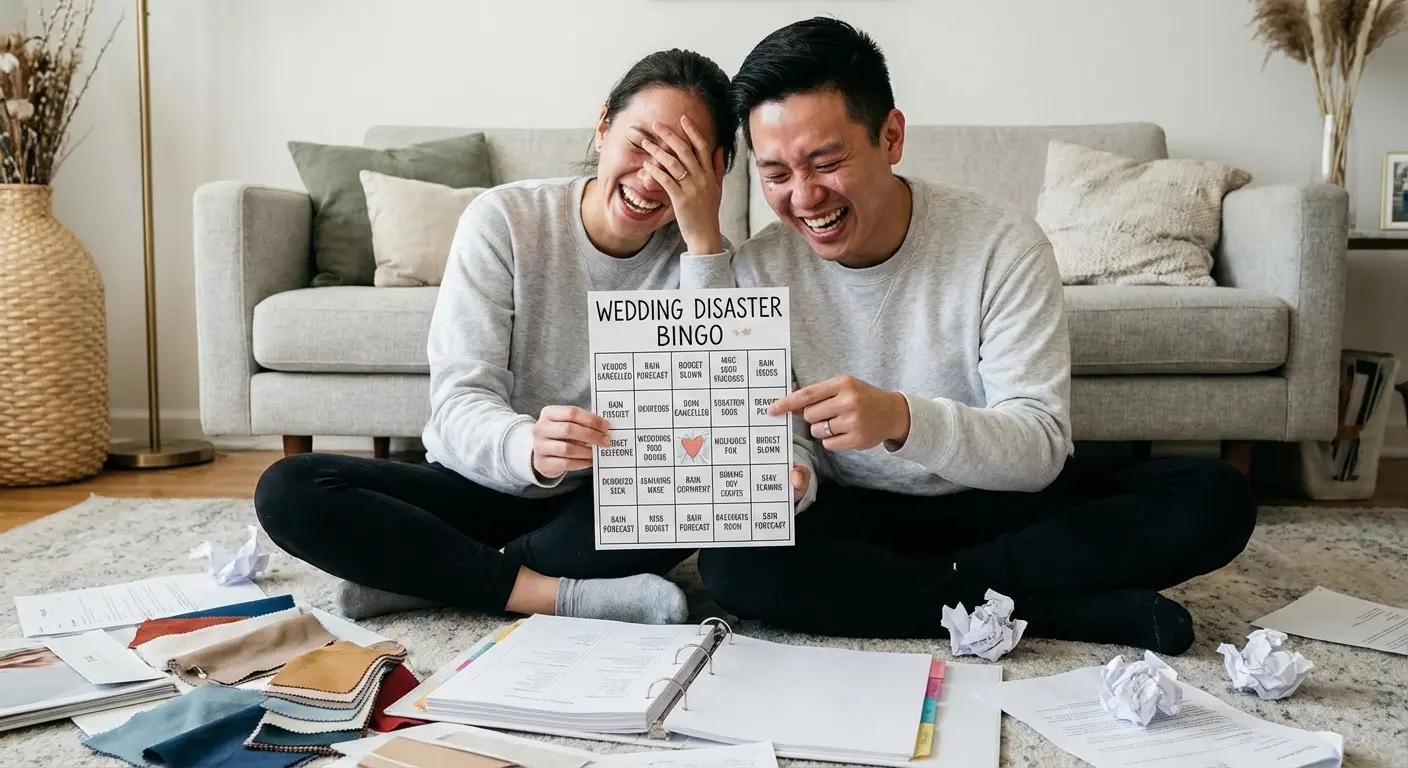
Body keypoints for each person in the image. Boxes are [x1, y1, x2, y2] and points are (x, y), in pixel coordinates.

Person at [695, 18, 1257, 655]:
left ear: (891, 136)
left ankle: (961, 597)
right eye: (776, 175)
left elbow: (1040, 447)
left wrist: (902, 419)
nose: (804, 196)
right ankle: (1054, 608)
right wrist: (789, 475)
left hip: (1000, 505)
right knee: (732, 565)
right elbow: (781, 434)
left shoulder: (1001, 244)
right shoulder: (758, 270)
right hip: (858, 515)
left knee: (1217, 497)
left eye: (826, 162)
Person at [255, 48, 809, 624]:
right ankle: (549, 593)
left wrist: (701, 245)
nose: (651, 177)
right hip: (479, 483)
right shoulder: (504, 220)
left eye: (683, 162)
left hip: (600, 505)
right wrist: (529, 446)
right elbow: (457, 403)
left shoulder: (716, 265)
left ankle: (432, 578)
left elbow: (714, 422)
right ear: (602, 128)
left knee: (690, 503)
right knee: (289, 489)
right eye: (641, 142)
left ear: (719, 171)